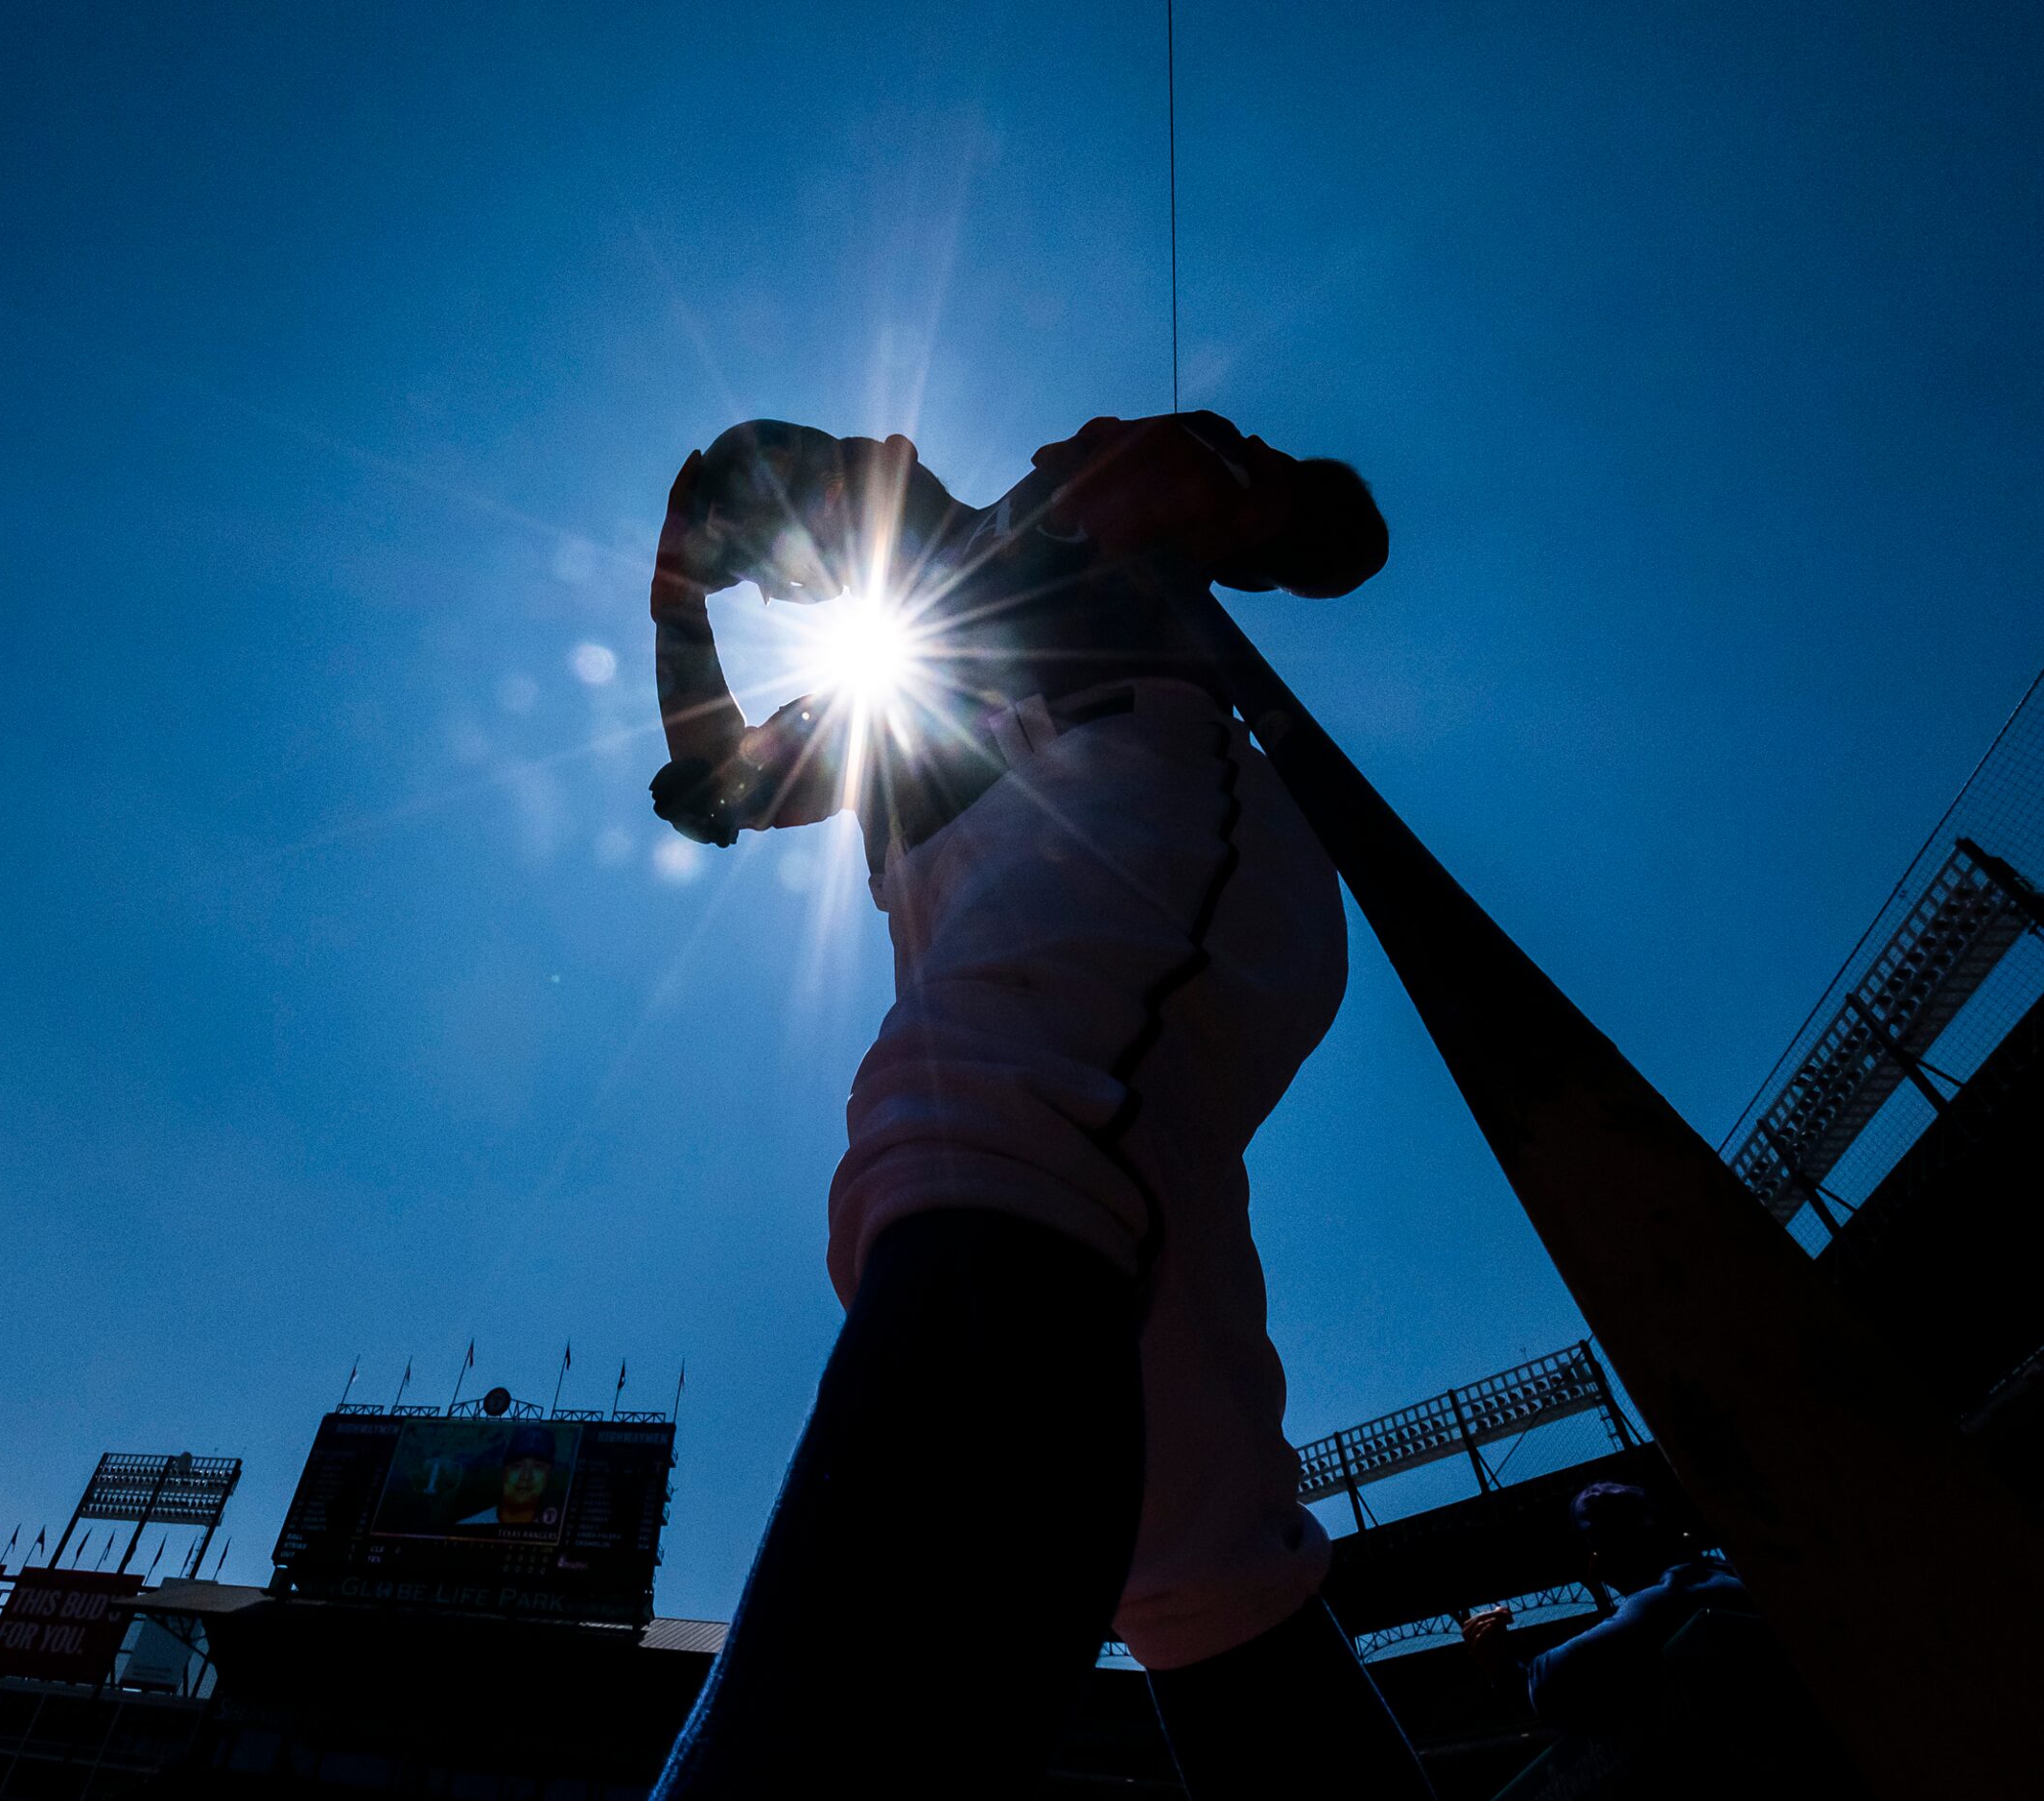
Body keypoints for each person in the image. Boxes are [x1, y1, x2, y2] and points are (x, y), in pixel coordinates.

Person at [642, 412, 1427, 1798]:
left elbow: (1344, 533)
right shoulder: (866, 707)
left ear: (879, 456)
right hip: (1018, 991)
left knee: (964, 1149)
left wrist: (1246, 491)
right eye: (771, 551)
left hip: (1130, 832)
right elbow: (710, 788)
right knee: (1191, 1553)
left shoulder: (1053, 510)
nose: (799, 548)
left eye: (795, 498)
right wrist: (677, 604)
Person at [1461, 1482, 1756, 1731]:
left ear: (1619, 1549)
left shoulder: (1667, 1597)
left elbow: (1543, 1685)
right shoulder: (1733, 1572)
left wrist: (1497, 1662)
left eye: (1597, 1552)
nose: (1595, 1570)